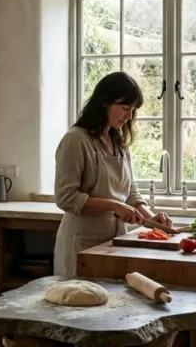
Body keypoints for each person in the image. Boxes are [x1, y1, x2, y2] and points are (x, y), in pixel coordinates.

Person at [53, 71, 171, 278]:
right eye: (125, 108)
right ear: (104, 102)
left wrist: (152, 220)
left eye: (133, 110)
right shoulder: (75, 140)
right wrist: (114, 206)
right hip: (82, 244)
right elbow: (65, 196)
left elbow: (131, 194)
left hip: (116, 244)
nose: (129, 116)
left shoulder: (119, 145)